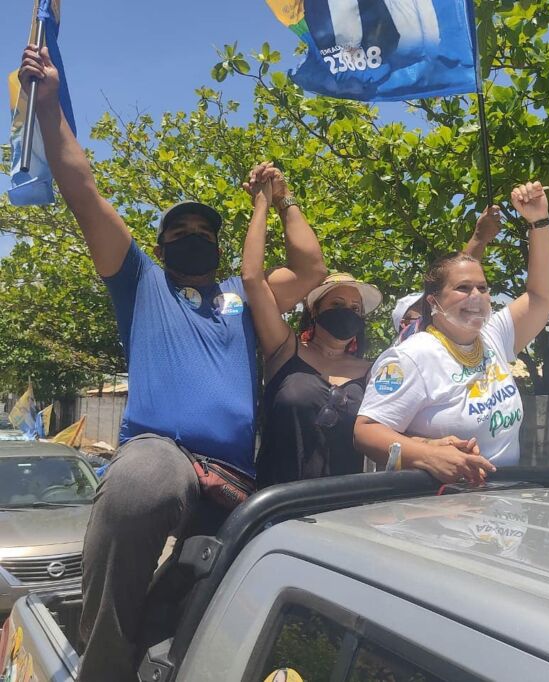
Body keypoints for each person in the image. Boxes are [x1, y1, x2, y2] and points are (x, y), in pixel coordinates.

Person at [19, 46, 326, 682]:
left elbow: (309, 270)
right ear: (160, 244)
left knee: (212, 592)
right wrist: (48, 108)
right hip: (159, 452)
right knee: (137, 488)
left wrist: (281, 197)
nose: (196, 237)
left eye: (207, 231)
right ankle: (102, 671)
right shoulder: (141, 282)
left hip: (234, 480)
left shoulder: (246, 298)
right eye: (181, 230)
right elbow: (82, 190)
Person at [355, 182, 549, 483]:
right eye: (463, 288)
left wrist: (539, 221)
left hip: (506, 506)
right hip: (442, 512)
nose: (476, 295)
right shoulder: (410, 356)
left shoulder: (494, 336)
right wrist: (427, 455)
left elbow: (542, 296)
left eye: (483, 288)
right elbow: (366, 430)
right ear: (433, 302)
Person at [241, 165, 382, 486]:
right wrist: (270, 202)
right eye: (336, 304)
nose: (347, 312)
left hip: (343, 515)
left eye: (355, 308)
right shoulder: (284, 349)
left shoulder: (374, 372)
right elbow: (252, 278)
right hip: (275, 510)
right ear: (314, 310)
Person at [391, 208, 502, 345]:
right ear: (404, 324)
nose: (432, 310)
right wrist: (479, 238)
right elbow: (457, 274)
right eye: (424, 308)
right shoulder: (407, 339)